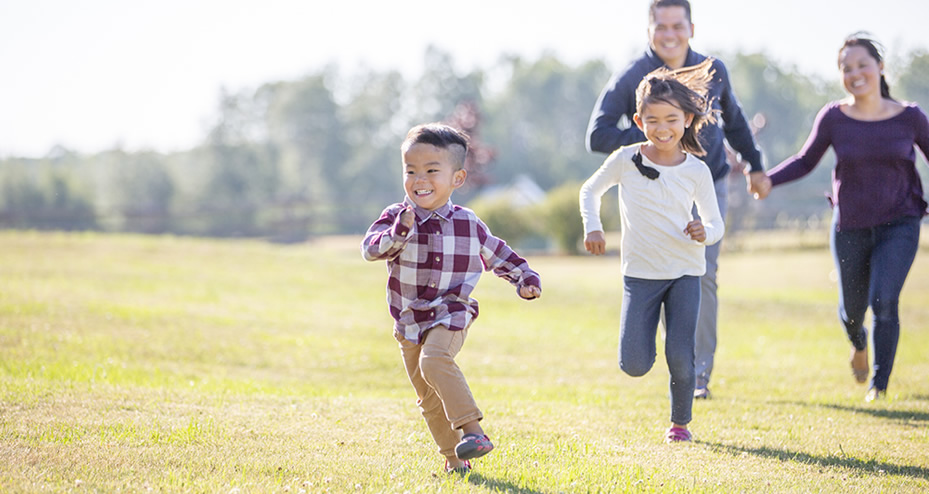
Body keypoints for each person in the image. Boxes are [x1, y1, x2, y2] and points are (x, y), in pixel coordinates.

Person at [586, 0, 765, 399]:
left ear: (691, 28)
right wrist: (660, 145)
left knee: (702, 273)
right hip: (652, 185)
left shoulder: (713, 69)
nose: (670, 34)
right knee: (666, 273)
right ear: (649, 30)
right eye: (660, 26)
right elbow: (598, 134)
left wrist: (755, 164)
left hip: (708, 180)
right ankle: (676, 358)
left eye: (677, 26)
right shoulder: (634, 75)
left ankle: (697, 374)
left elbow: (733, 120)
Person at [752, 34, 929, 402]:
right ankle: (858, 343)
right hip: (850, 225)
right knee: (851, 311)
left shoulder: (910, 117)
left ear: (880, 67)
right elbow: (805, 160)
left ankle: (879, 385)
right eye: (846, 68)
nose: (855, 73)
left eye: (862, 64)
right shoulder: (834, 117)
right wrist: (770, 179)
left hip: (901, 222)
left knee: (884, 300)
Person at [361, 123, 542, 473]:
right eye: (410, 171)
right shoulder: (396, 218)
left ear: (457, 179)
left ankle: (473, 430)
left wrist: (525, 279)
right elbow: (372, 249)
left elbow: (499, 255)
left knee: (435, 359)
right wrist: (400, 229)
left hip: (450, 313)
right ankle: (455, 461)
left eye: (431, 170)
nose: (419, 179)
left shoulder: (468, 224)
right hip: (408, 321)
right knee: (428, 399)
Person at [580, 59, 724, 442]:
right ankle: (649, 344)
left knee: (680, 353)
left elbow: (716, 224)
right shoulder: (626, 159)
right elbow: (589, 190)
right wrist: (593, 226)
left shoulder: (696, 170)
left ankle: (680, 425)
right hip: (640, 276)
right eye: (653, 120)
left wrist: (703, 231)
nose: (663, 128)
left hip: (684, 272)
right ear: (639, 121)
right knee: (634, 364)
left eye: (671, 119)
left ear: (688, 119)